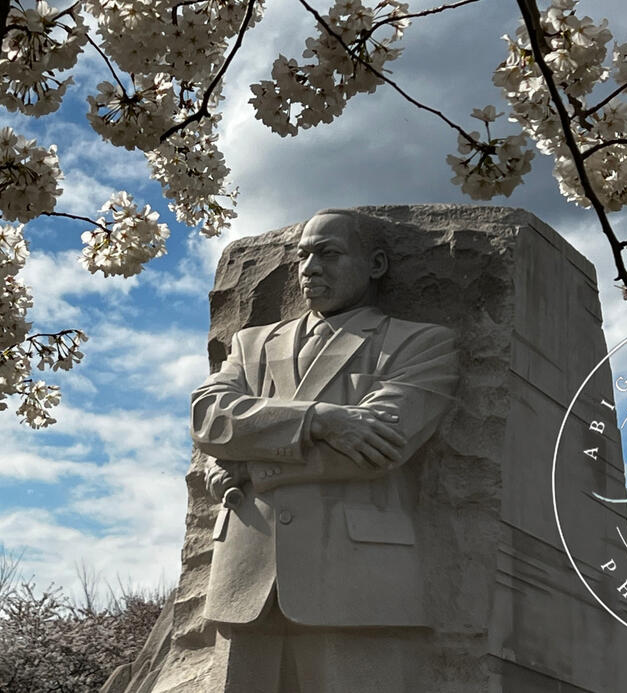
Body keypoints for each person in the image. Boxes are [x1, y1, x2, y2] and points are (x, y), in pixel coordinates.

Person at [190, 209, 460, 692]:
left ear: (376, 265)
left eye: (329, 254)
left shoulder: (419, 343)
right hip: (245, 579)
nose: (311, 268)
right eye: (303, 256)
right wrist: (323, 418)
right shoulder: (251, 345)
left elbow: (378, 446)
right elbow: (208, 418)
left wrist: (246, 462)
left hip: (357, 583)